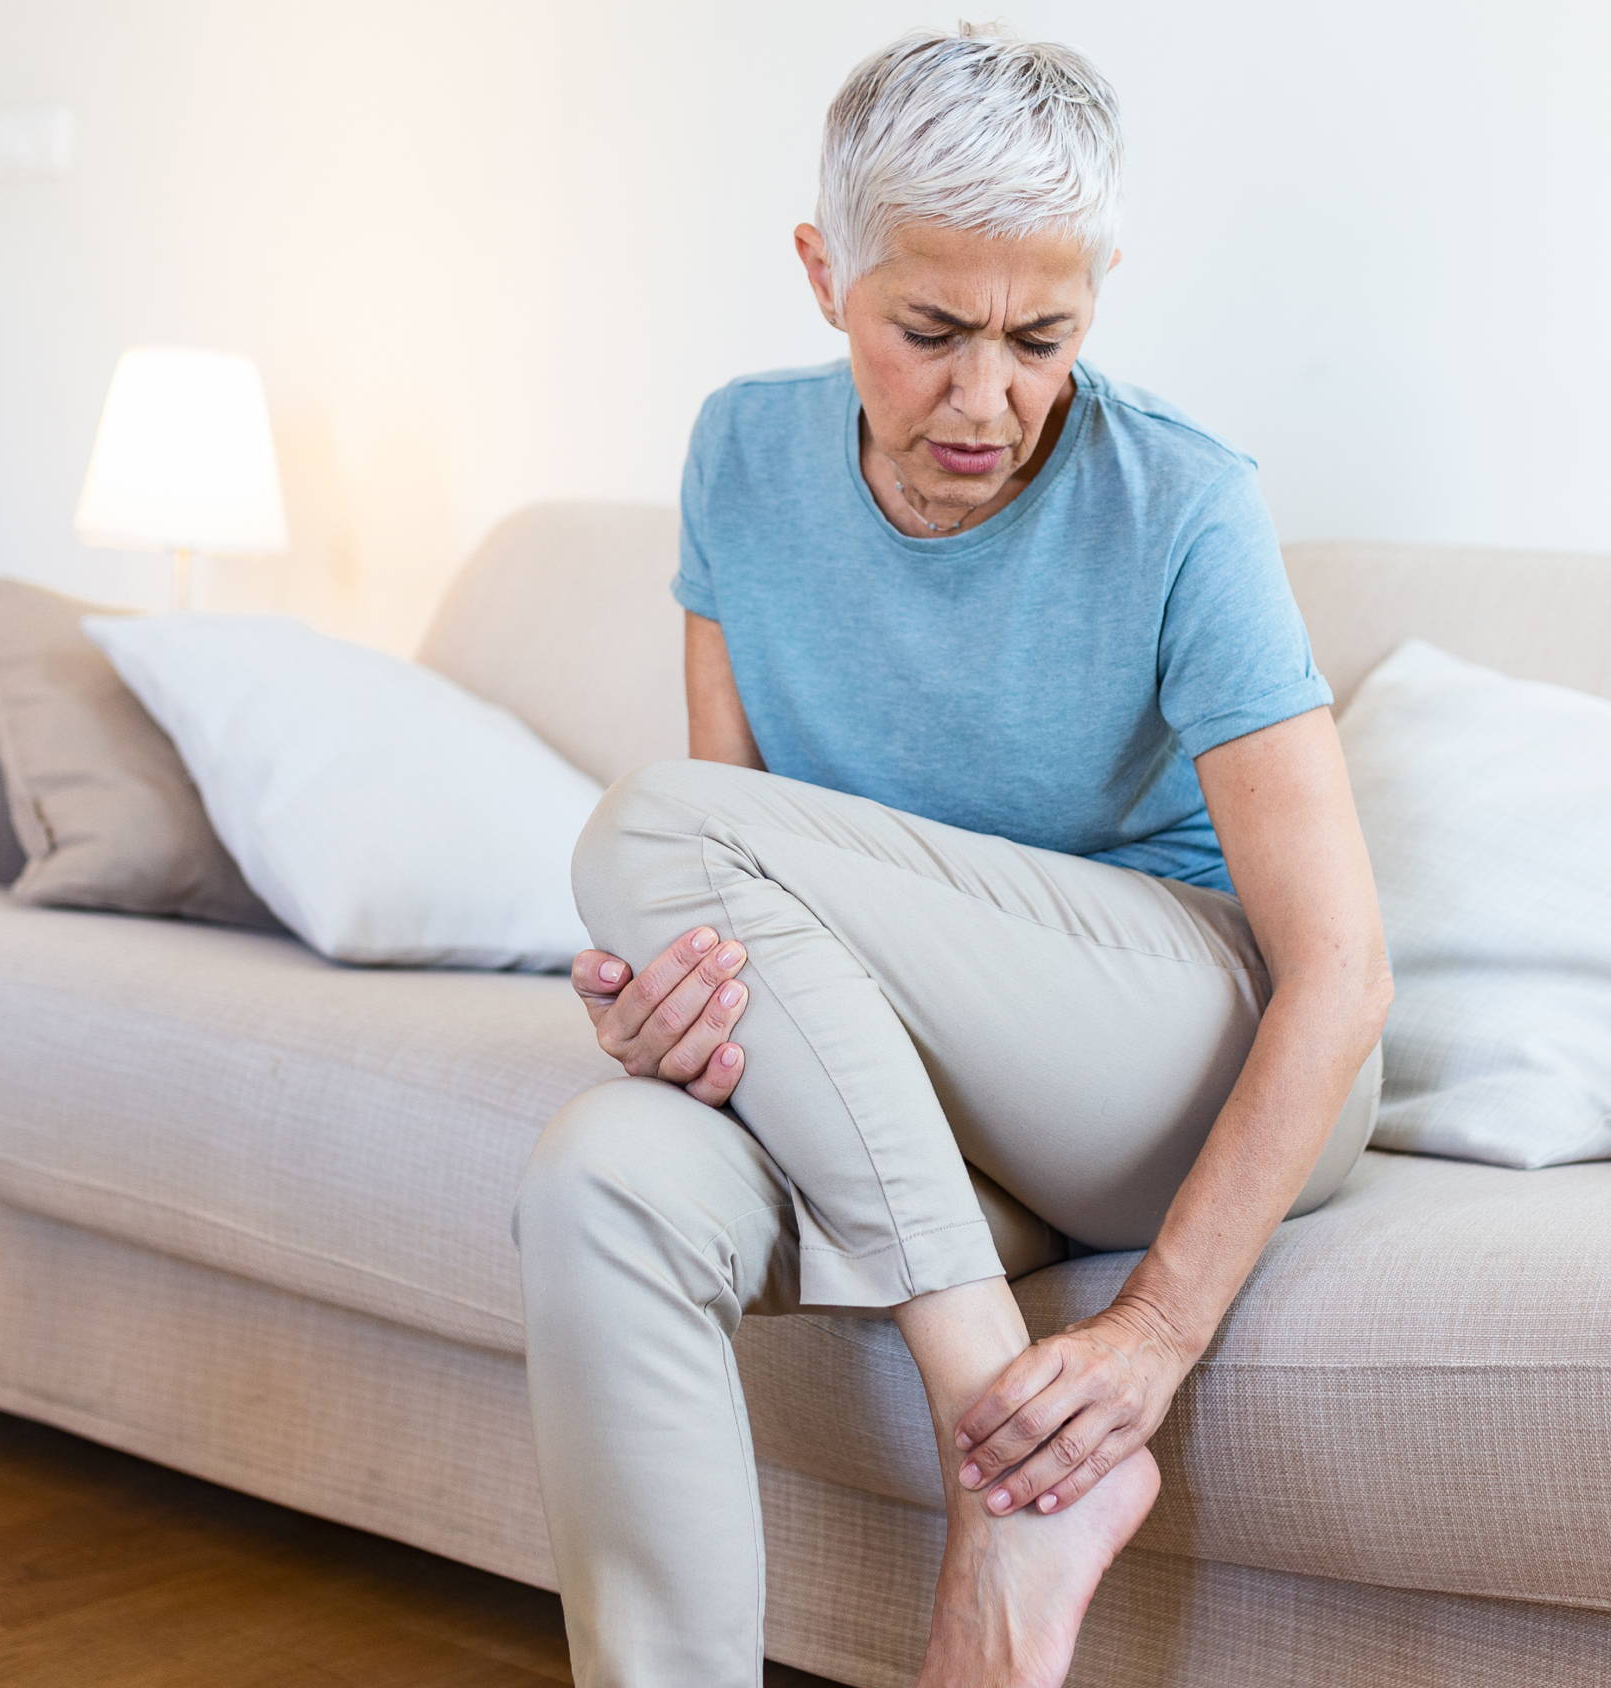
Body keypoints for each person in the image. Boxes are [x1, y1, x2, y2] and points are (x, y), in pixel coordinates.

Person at [513, 23, 1391, 1688]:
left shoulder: (1184, 504)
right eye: (929, 331)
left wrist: (1150, 1332)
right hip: (926, 1092)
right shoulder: (738, 455)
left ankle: (1009, 1484)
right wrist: (677, 1016)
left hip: (1182, 1065)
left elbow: (1342, 976)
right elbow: (748, 886)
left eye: (1041, 335)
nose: (987, 399)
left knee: (647, 827)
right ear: (821, 273)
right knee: (601, 1177)